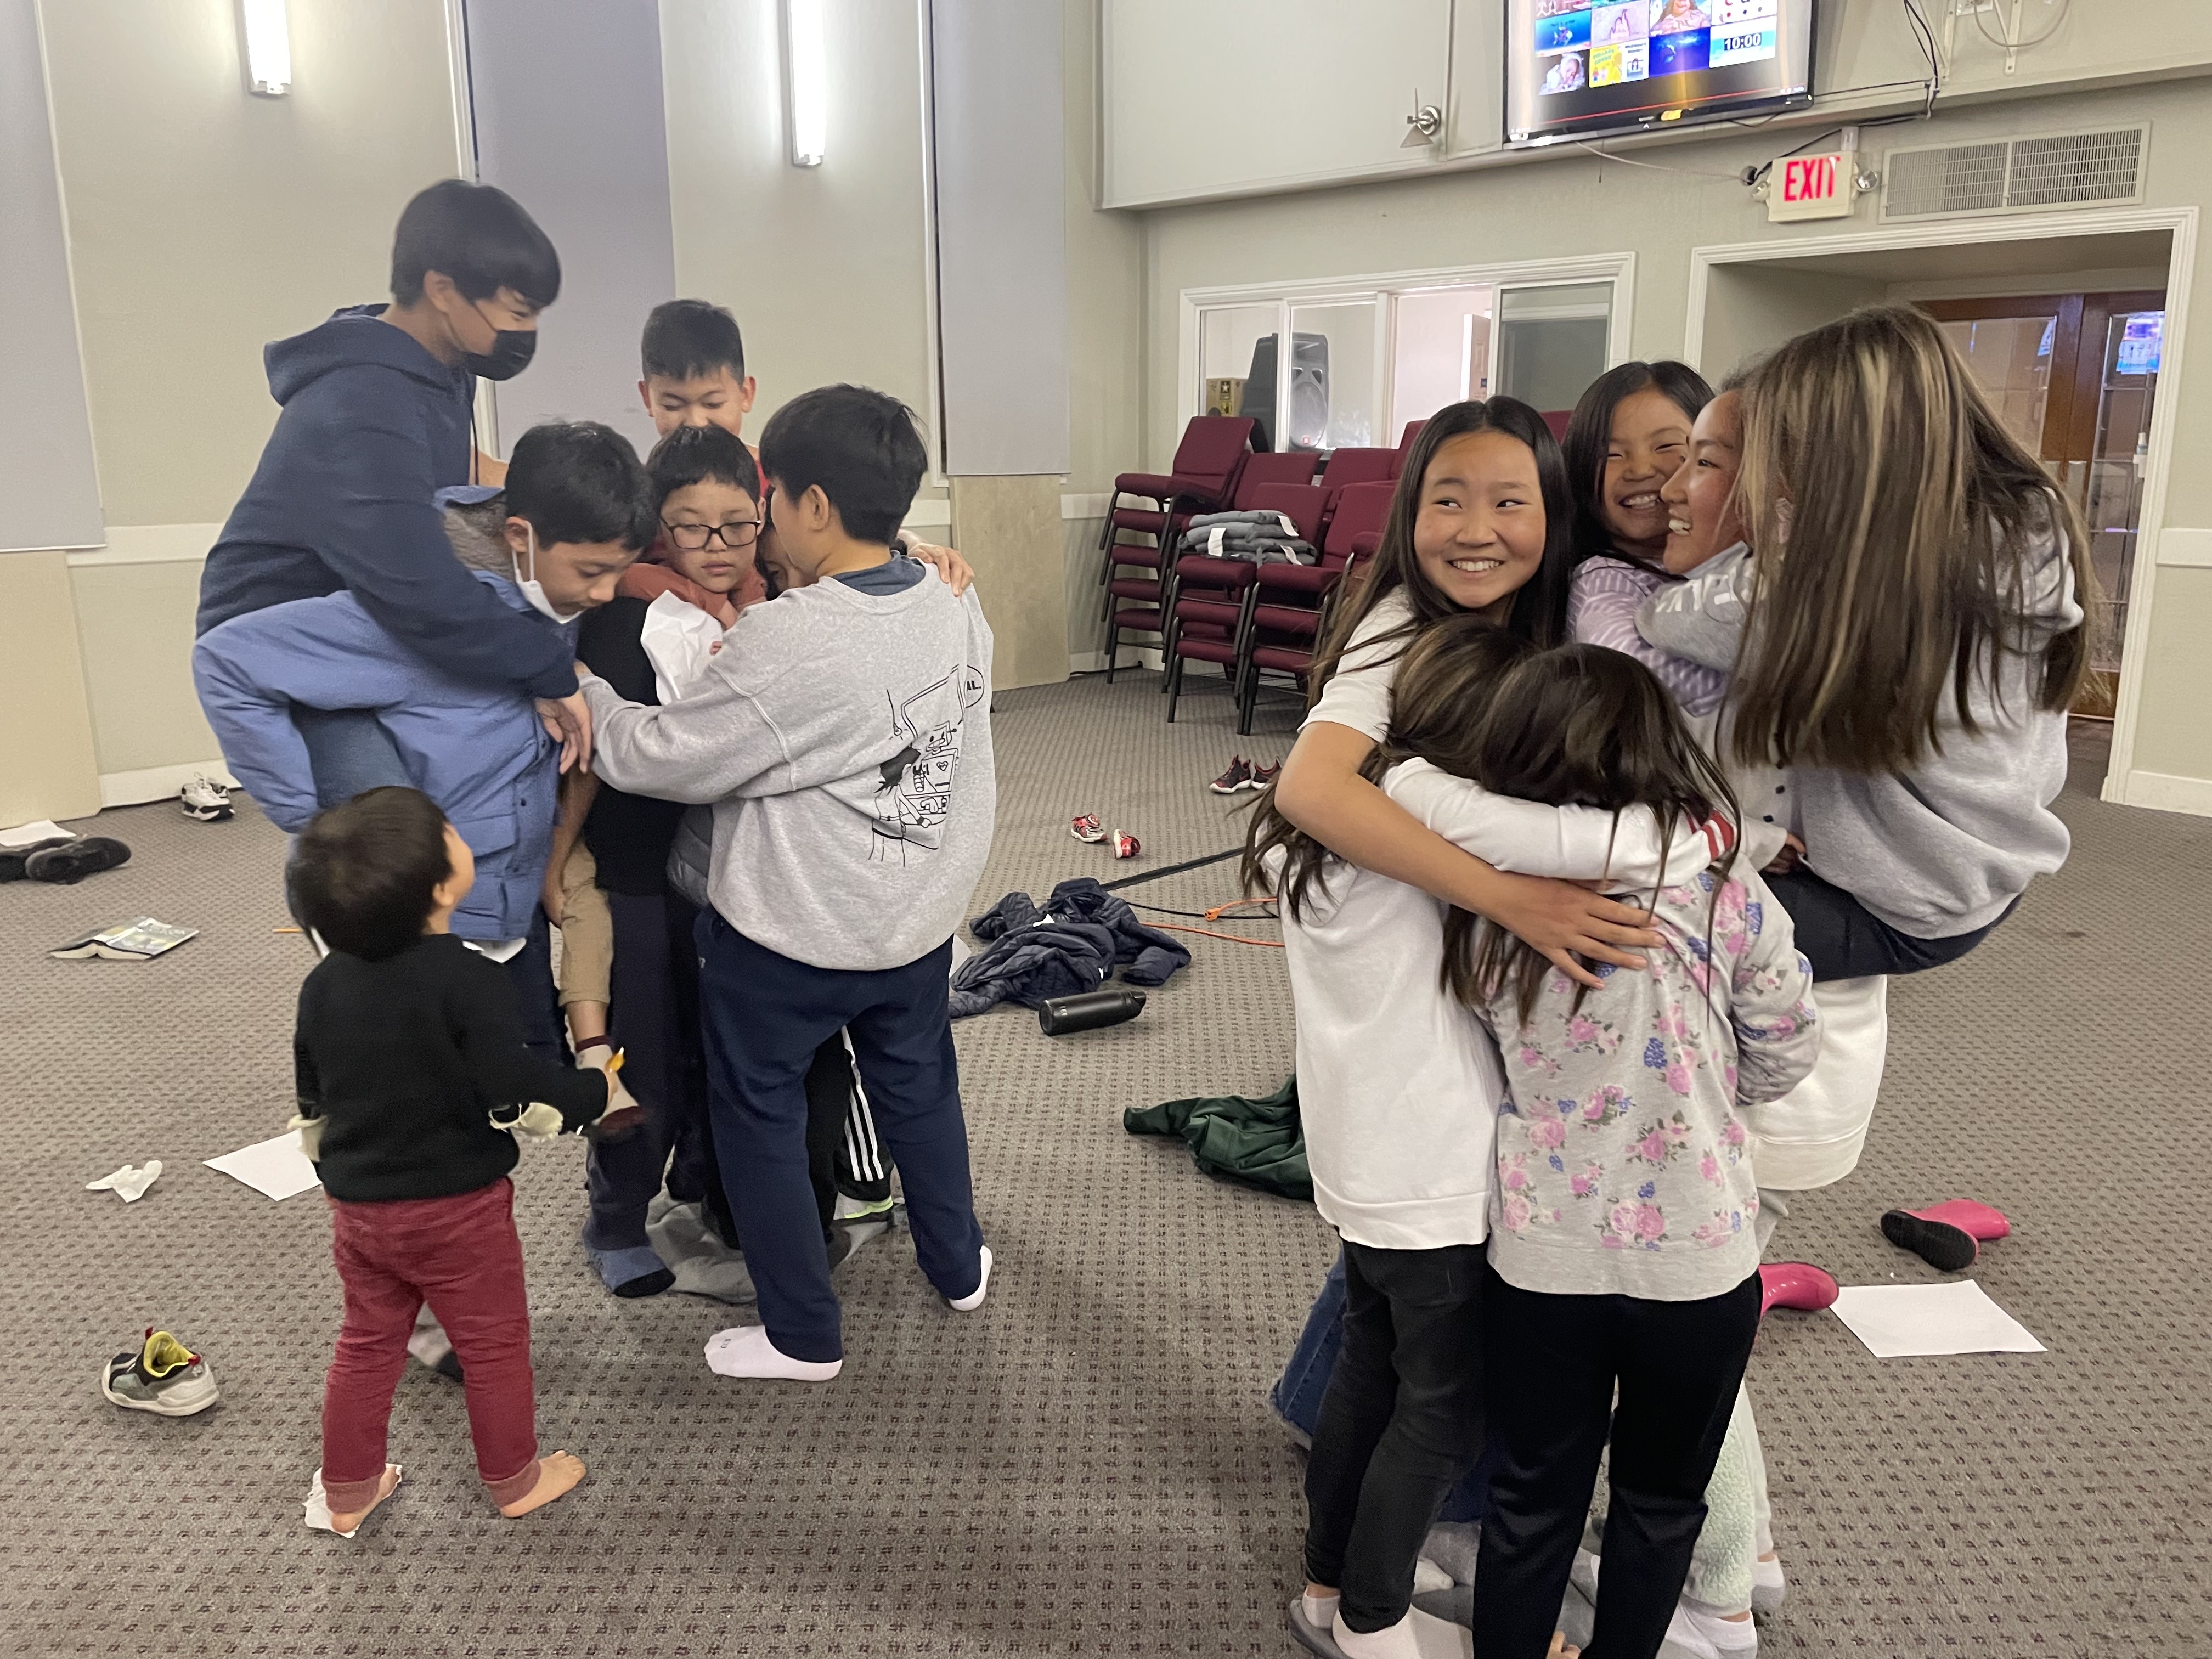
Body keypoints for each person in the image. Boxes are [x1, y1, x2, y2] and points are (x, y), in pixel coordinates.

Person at [1248, 617, 1730, 1659]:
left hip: (1361, 1160)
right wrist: (1713, 837)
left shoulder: (1330, 831)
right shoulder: (1435, 833)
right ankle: (1371, 1620)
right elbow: (1620, 845)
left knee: (1369, 1373)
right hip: (1437, 1176)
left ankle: (1332, 1582)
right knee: (1443, 1413)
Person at [580, 384, 995, 1380]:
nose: (756, 525)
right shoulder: (952, 594)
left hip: (790, 942)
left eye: (765, 502)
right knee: (920, 1092)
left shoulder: (792, 635)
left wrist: (580, 686)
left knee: (759, 1115)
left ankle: (803, 1335)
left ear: (811, 503)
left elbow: (657, 756)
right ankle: (959, 1266)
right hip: (916, 922)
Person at [1639, 304, 2091, 1190]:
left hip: (1899, 900)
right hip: (1975, 874)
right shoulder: (2014, 526)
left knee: (1623, 917)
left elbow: (1671, 617)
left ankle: (1699, 1161)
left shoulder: (1859, 588)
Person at [1462, 644, 1820, 1659]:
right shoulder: (1725, 891)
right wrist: (1707, 1093)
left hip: (1544, 1258)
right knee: (1662, 1502)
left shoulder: (1484, 903)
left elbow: (1473, 1042)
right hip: (1699, 1259)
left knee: (1531, 1498)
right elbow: (1785, 1044)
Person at [194, 421, 657, 1058]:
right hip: (425, 917)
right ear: (518, 538)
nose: (603, 593)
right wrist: (315, 821)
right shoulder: (409, 620)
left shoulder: (551, 590)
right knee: (431, 1092)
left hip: (511, 900)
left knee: (532, 1073)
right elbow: (226, 662)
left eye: (617, 572)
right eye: (591, 572)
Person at [195, 179, 594, 804]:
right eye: (518, 314)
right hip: (289, 637)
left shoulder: (442, 366)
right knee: (393, 837)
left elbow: (457, 474)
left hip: (369, 612)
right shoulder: (361, 400)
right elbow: (420, 586)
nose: (528, 332)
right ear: (443, 290)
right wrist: (547, 667)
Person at [289, 786, 624, 1531]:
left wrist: (335, 1173)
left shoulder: (322, 983)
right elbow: (513, 1088)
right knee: (494, 1343)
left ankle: (347, 1491)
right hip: (457, 1211)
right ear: (444, 886)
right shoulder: (472, 977)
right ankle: (515, 1480)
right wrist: (591, 1091)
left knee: (367, 1343)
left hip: (359, 1207)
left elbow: (312, 1097)